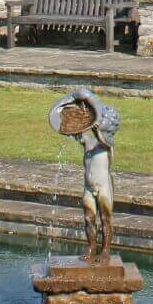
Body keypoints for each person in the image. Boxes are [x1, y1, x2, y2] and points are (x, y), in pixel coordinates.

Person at [49, 89, 121, 261]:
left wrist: (96, 127)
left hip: (104, 187)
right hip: (88, 186)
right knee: (89, 218)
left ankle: (105, 251)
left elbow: (103, 139)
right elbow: (77, 135)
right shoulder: (89, 142)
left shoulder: (107, 144)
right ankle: (91, 248)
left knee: (105, 219)